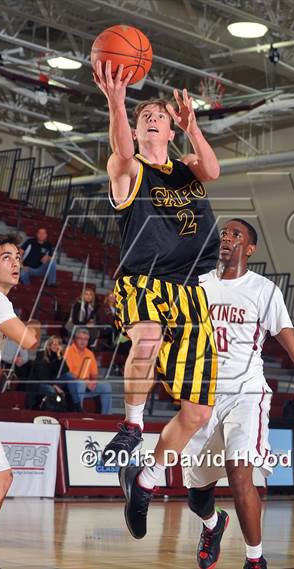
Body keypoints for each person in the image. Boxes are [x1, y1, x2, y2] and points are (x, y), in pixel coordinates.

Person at [182, 219, 294, 569]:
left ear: (250, 248)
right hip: (203, 396)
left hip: (246, 394)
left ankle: (255, 560)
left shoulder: (263, 290)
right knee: (197, 497)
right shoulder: (198, 285)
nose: (227, 237)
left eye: (237, 234)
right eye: (224, 232)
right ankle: (213, 524)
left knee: (240, 474)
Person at [94, 60, 221, 539]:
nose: (152, 118)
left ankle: (144, 479)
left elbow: (212, 168)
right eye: (145, 114)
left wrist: (193, 126)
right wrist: (116, 100)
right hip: (145, 282)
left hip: (191, 289)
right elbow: (122, 150)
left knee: (196, 413)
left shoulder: (186, 169)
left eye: (160, 116)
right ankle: (131, 425)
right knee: (145, 338)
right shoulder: (125, 170)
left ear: (170, 130)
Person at [0, 234, 39, 568]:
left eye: (17, 257)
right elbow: (28, 340)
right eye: (6, 258)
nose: (16, 262)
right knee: (0, 478)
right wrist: (38, 330)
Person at [63, 328, 112, 414]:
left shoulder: (89, 353)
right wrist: (85, 382)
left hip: (86, 385)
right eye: (80, 338)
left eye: (85, 339)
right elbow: (69, 374)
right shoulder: (68, 351)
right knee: (80, 384)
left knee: (106, 386)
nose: (83, 341)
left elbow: (94, 374)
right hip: (73, 385)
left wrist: (93, 382)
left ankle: (106, 415)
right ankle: (78, 414)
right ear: (75, 339)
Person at [29, 335, 83, 412]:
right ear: (49, 345)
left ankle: (77, 405)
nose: (55, 346)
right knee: (51, 390)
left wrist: (59, 357)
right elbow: (41, 376)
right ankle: (52, 410)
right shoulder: (41, 354)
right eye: (53, 344)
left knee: (69, 376)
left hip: (52, 381)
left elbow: (65, 371)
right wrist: (55, 386)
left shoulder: (58, 356)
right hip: (41, 383)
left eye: (58, 344)